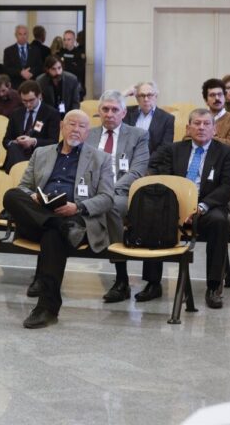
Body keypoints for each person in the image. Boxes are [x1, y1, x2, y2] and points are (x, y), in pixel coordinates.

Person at [4, 110, 114, 328]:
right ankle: (57, 224)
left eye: (82, 126)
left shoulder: (101, 158)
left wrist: (78, 207)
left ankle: (46, 308)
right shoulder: (41, 153)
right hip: (42, 216)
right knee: (11, 195)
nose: (76, 129)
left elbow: (107, 198)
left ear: (87, 132)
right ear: (62, 127)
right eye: (71, 124)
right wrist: (33, 197)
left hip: (76, 218)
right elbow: (23, 187)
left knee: (53, 236)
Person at [142, 109, 230, 309]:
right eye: (196, 123)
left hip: (208, 206)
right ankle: (153, 283)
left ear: (214, 129)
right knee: (154, 216)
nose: (201, 127)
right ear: (188, 128)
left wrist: (200, 207)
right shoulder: (173, 150)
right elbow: (165, 181)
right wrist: (179, 206)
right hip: (175, 204)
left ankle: (213, 287)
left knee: (219, 222)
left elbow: (227, 188)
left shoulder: (225, 152)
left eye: (206, 124)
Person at [86, 91, 150, 303]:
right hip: (89, 192)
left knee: (109, 207)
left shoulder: (138, 135)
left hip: (120, 193)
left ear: (123, 113)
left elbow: (137, 172)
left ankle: (121, 279)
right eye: (105, 109)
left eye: (115, 110)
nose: (109, 114)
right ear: (99, 112)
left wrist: (108, 191)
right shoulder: (89, 134)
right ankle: (45, 274)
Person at [2, 80, 60, 173]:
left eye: (31, 100)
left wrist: (33, 141)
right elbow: (6, 141)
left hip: (40, 156)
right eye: (24, 101)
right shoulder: (16, 113)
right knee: (13, 147)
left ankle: (21, 174)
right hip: (16, 154)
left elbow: (53, 142)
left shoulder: (51, 113)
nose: (28, 104)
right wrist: (15, 141)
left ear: (39, 96)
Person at [200, 78, 230, 172]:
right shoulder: (199, 117)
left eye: (220, 94)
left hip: (223, 158)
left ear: (224, 97)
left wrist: (205, 137)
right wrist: (214, 138)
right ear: (206, 100)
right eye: (212, 95)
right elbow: (187, 138)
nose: (217, 98)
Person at [123, 81, 175, 154]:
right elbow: (108, 107)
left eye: (149, 95)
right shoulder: (126, 113)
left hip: (152, 159)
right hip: (127, 158)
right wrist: (124, 94)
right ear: (137, 98)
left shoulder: (167, 119)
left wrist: (146, 160)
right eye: (142, 95)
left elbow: (165, 148)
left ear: (156, 96)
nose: (146, 99)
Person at [58, 29, 86, 96]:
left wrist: (65, 66)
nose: (66, 42)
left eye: (69, 39)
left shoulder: (80, 53)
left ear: (74, 40)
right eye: (64, 39)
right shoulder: (60, 52)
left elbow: (79, 70)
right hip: (62, 84)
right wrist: (72, 64)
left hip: (75, 85)